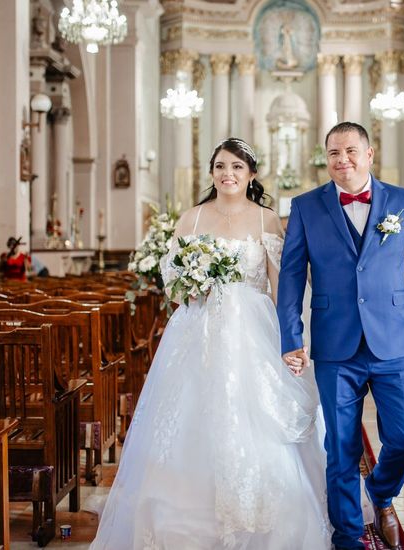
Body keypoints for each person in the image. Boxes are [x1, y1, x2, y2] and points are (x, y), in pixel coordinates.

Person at [91, 138, 331, 549]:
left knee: (257, 420)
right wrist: (194, 284)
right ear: (212, 172)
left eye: (237, 167)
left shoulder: (266, 221)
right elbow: (175, 288)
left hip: (253, 334)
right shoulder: (193, 219)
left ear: (251, 174)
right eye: (221, 166)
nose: (228, 174)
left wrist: (291, 341)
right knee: (190, 417)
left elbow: (280, 288)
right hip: (197, 334)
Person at [278, 122, 404, 550]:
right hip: (336, 344)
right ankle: (348, 535)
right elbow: (292, 277)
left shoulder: (402, 202)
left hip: (393, 340)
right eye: (334, 153)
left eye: (351, 151)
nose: (342, 160)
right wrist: (291, 337)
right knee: (342, 447)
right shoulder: (305, 207)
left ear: (370, 155)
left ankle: (381, 492)